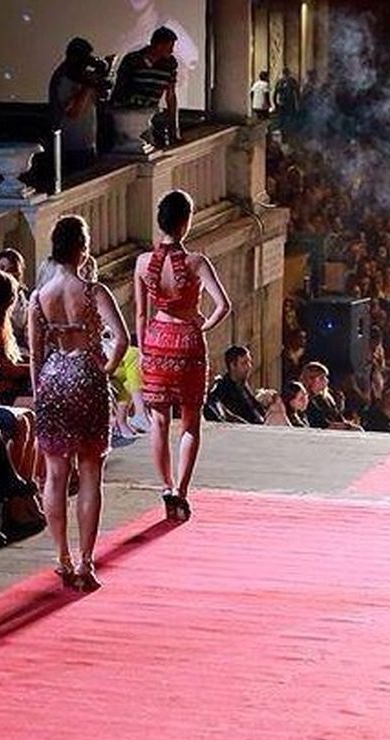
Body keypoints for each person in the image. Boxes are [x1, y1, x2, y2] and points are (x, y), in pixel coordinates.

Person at [29, 215, 131, 590]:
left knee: (55, 475)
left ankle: (62, 557)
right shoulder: (93, 292)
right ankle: (87, 561)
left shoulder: (39, 297)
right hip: (87, 376)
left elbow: (35, 356)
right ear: (83, 249)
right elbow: (121, 338)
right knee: (90, 472)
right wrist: (106, 367)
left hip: (52, 379)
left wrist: (40, 394)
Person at [135, 189, 231, 521]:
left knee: (159, 422)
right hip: (188, 341)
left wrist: (144, 350)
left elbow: (141, 315)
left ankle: (165, 486)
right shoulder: (196, 263)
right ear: (185, 222)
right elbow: (223, 305)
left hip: (156, 340)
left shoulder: (142, 263)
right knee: (190, 423)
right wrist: (202, 326)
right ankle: (182, 492)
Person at [112, 27, 181, 149]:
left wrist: (173, 129)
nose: (171, 51)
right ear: (159, 45)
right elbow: (120, 90)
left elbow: (170, 96)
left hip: (149, 116)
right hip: (128, 117)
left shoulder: (170, 64)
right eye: (169, 47)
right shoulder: (132, 60)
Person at [48, 38, 108, 173]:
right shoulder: (64, 78)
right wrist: (89, 85)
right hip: (72, 145)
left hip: (87, 143)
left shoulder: (78, 77)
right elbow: (73, 112)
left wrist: (97, 82)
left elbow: (97, 99)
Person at [203, 345, 263, 424]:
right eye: (244, 363)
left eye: (249, 362)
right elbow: (229, 417)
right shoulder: (224, 390)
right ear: (232, 366)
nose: (249, 367)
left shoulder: (242, 385)